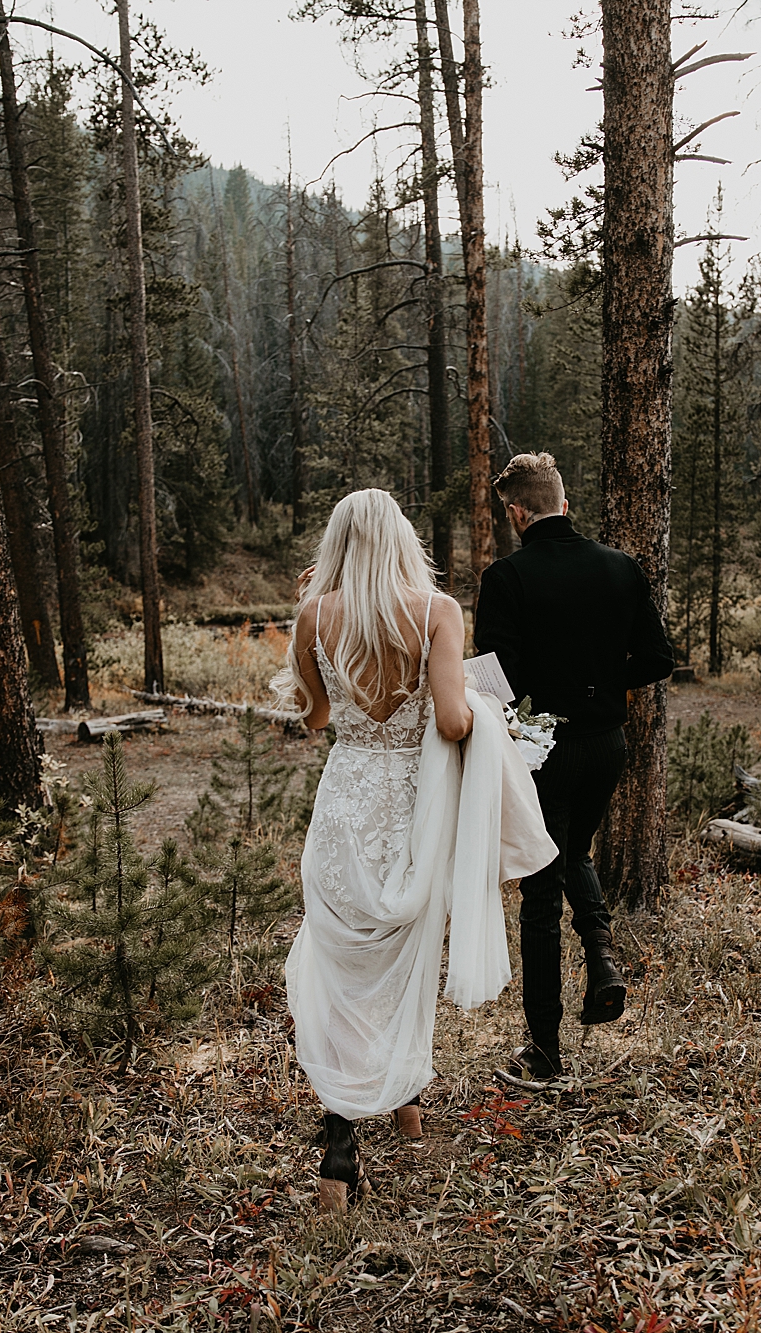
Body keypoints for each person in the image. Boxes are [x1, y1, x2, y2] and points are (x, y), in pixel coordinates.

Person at [275, 489, 555, 1211]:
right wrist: (482, 710)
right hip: (410, 809)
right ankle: (403, 1103)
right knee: (406, 956)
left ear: (338, 542)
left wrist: (315, 629)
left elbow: (316, 719)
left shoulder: (314, 614)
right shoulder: (436, 612)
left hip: (344, 806)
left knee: (344, 966)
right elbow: (457, 722)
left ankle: (341, 1148)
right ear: (401, 539)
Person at [473, 453, 676, 1082]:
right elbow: (658, 659)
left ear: (516, 512)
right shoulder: (622, 568)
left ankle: (544, 1051)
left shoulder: (505, 578)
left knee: (540, 890)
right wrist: (601, 684)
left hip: (543, 749)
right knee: (574, 852)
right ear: (565, 502)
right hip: (608, 745)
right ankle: (600, 952)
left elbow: (495, 679)